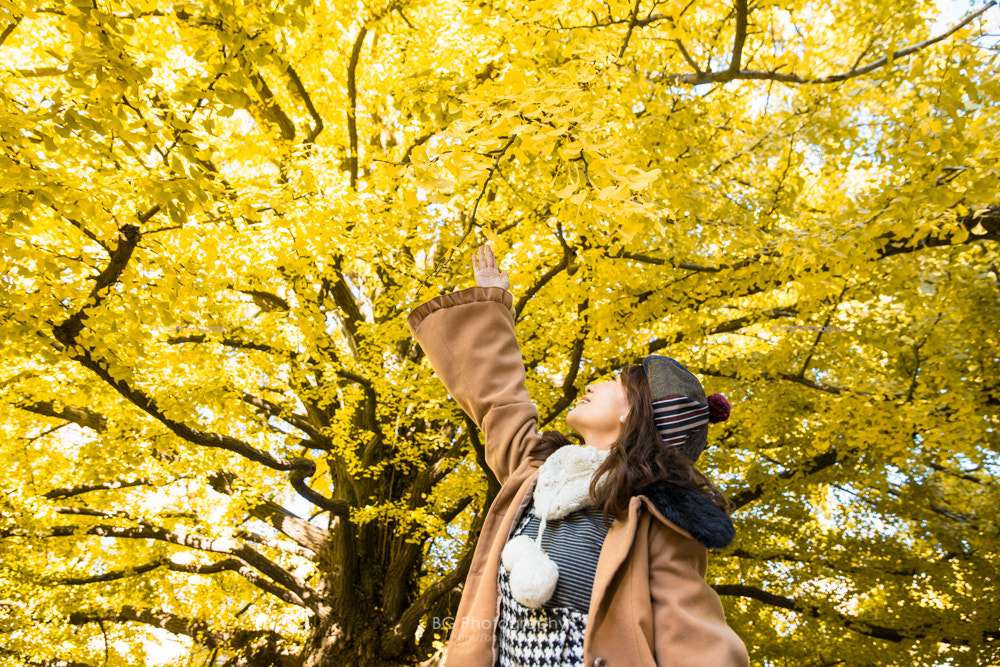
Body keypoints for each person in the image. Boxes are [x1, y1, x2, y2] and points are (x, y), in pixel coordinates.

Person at [407, 245, 749, 667]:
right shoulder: (534, 473)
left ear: (630, 412)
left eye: (611, 381)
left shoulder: (651, 520)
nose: (592, 384)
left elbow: (695, 641)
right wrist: (493, 307)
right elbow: (498, 401)